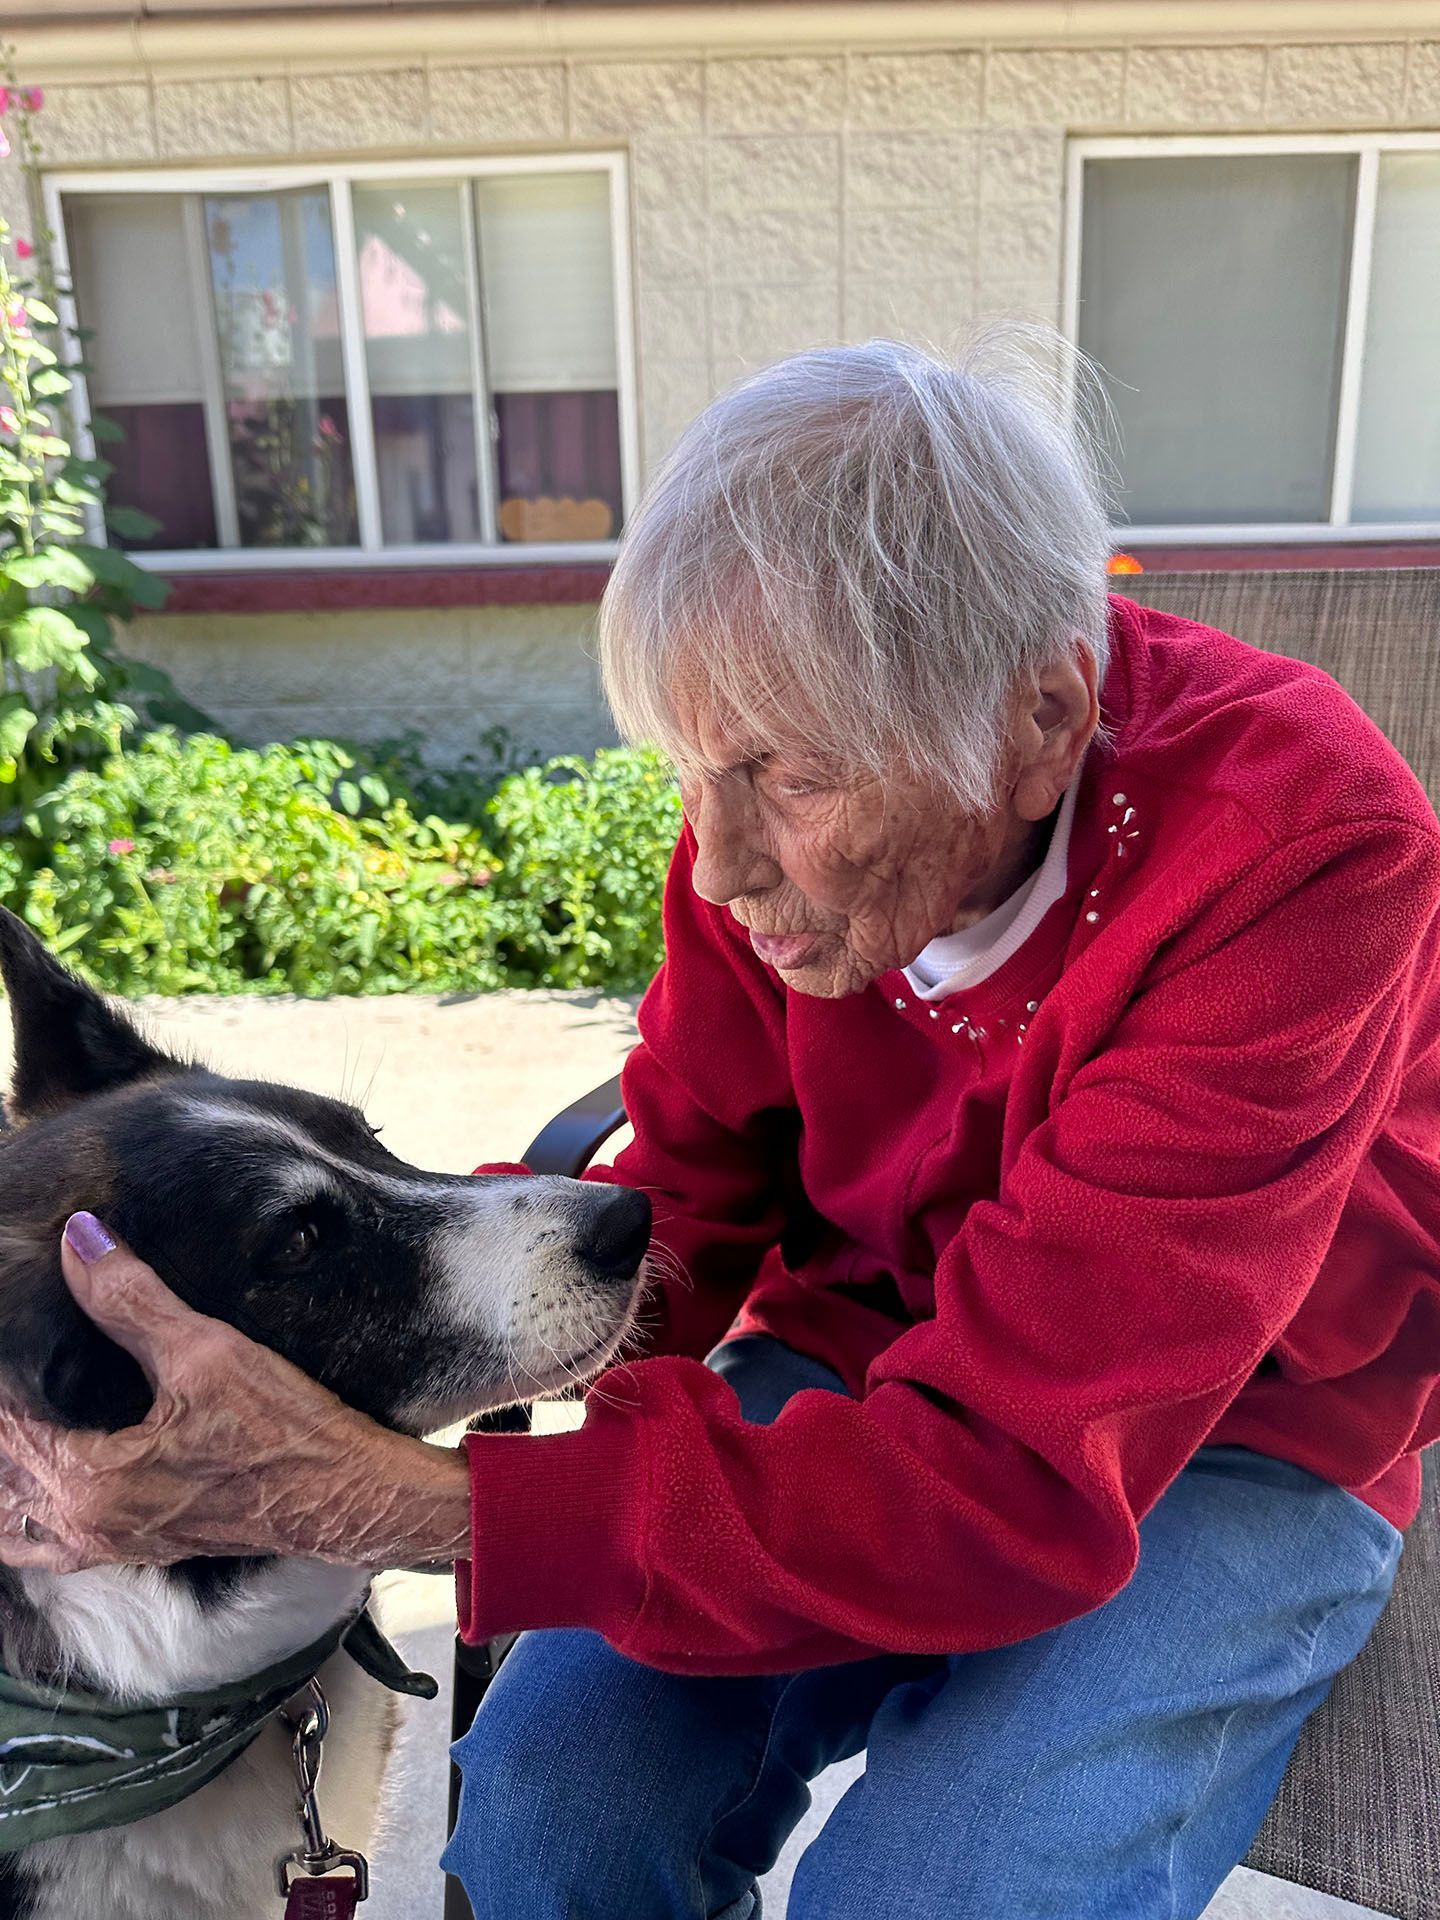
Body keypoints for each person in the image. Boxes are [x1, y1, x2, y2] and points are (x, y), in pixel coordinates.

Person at [3, 340, 1438, 1920]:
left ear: (1042, 717)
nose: (724, 863)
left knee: (953, 1887)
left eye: (790, 776)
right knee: (551, 1812)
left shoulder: (1300, 856)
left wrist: (408, 1503)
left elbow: (1019, 1468)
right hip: (861, 1340)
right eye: (696, 770)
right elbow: (685, 1189)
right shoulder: (755, 865)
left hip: (1235, 1425)